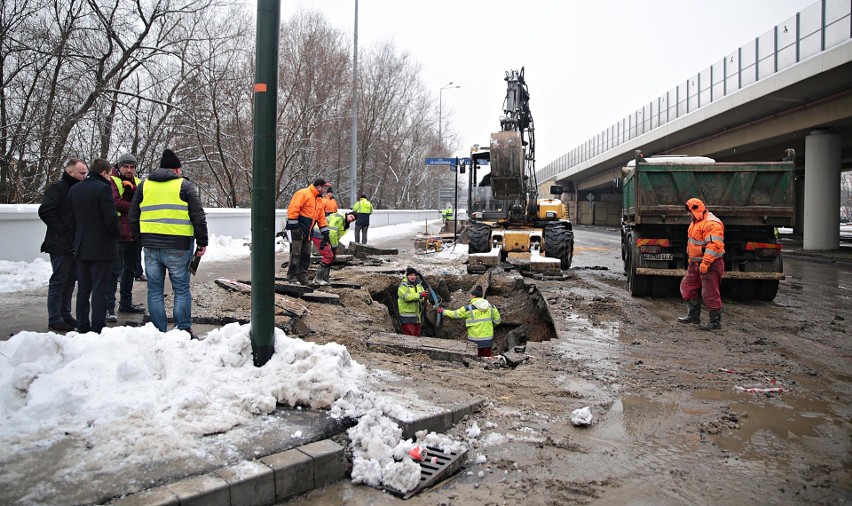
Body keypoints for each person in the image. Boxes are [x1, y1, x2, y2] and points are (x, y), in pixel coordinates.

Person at [129, 149, 208, 339]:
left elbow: (133, 215)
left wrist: (140, 239)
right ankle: (183, 331)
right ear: (177, 170)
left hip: (150, 246)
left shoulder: (144, 186)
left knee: (154, 289)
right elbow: (198, 216)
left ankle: (159, 331)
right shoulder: (185, 186)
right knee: (181, 289)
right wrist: (202, 241)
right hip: (178, 246)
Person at [66, 158, 120, 333]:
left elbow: (72, 219)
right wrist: (115, 235)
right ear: (104, 173)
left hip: (81, 247)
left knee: (83, 289)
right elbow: (110, 218)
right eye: (110, 174)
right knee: (99, 289)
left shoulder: (75, 189)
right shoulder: (103, 189)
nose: (111, 178)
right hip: (101, 248)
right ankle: (97, 327)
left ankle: (82, 325)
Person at [38, 159, 88, 332]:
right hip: (59, 244)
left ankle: (65, 314)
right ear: (70, 172)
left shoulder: (80, 189)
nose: (85, 176)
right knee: (59, 280)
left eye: (86, 173)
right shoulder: (57, 188)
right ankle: (55, 317)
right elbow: (45, 210)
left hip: (74, 243)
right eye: (82, 173)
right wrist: (61, 229)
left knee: (70, 281)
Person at [106, 153, 145, 322]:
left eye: (132, 167)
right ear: (119, 167)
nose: (129, 170)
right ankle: (108, 307)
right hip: (118, 235)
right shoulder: (112, 181)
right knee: (114, 272)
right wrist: (135, 207)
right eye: (126, 167)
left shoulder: (139, 183)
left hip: (134, 235)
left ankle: (126, 303)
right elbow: (115, 202)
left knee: (129, 270)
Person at [678, 197, 725, 331]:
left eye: (689, 212)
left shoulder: (712, 223)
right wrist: (691, 259)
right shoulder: (696, 222)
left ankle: (715, 321)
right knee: (687, 286)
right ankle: (693, 316)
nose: (688, 214)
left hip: (710, 264)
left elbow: (714, 245)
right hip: (696, 263)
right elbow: (693, 243)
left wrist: (706, 263)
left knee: (710, 292)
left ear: (696, 210)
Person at [284, 178, 331, 285]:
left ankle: (302, 277)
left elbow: (321, 218)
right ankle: (292, 277)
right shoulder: (303, 194)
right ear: (318, 186)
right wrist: (294, 227)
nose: (325, 190)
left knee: (305, 255)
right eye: (324, 187)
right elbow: (293, 209)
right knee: (296, 253)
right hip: (298, 229)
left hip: (308, 231)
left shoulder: (319, 200)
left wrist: (325, 234)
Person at [437, 285, 501, 357]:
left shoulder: (468, 308)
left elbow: (455, 314)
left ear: (473, 295)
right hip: (488, 341)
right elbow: (497, 321)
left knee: (474, 360)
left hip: (474, 342)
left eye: (471, 295)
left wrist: (443, 311)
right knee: (486, 361)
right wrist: (489, 326)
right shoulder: (491, 307)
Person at [312, 211, 356, 285]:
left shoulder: (344, 224)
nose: (351, 219)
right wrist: (334, 247)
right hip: (319, 234)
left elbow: (335, 236)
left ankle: (325, 278)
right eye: (351, 217)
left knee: (331, 256)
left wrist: (333, 248)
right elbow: (332, 233)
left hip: (323, 235)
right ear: (347, 214)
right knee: (328, 255)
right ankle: (318, 278)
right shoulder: (339, 219)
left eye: (353, 219)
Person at [397, 267, 429, 336]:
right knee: (409, 337)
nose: (413, 277)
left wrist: (425, 301)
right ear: (407, 276)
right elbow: (407, 297)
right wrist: (420, 295)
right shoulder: (403, 286)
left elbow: (422, 296)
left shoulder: (419, 285)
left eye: (414, 275)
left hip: (417, 318)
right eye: (411, 275)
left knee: (416, 337)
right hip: (407, 318)